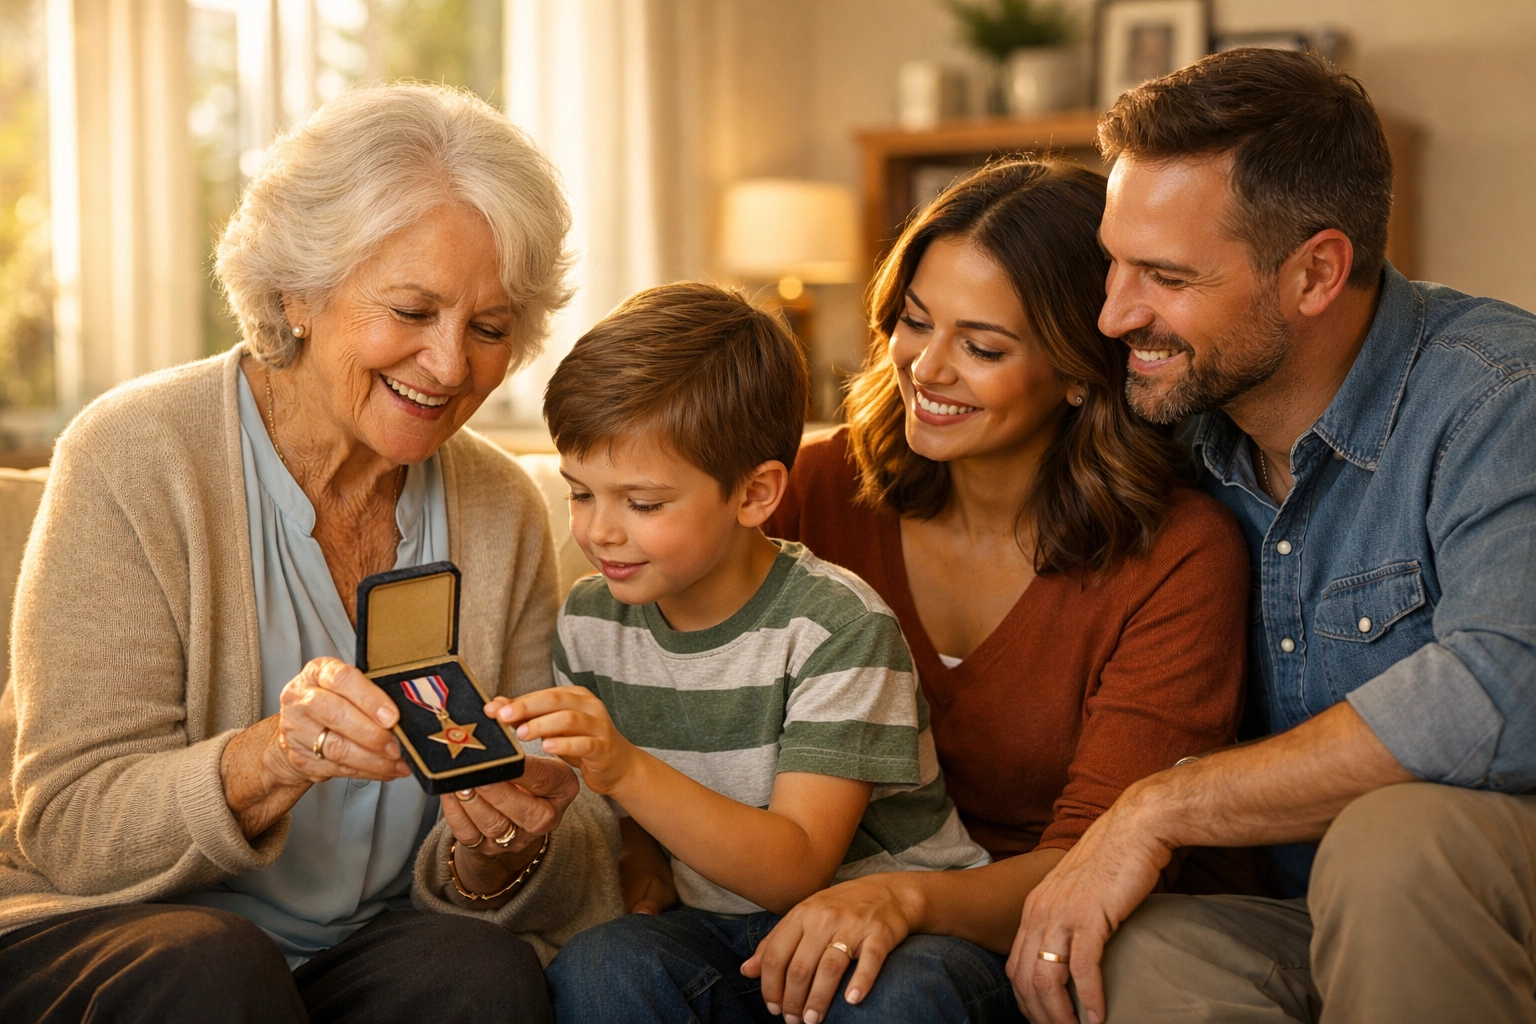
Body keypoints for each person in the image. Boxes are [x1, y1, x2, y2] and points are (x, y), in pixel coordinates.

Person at [0, 84, 623, 1024]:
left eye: (489, 329)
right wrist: (271, 758)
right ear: (298, 289)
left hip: (356, 944)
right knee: (218, 966)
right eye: (412, 311)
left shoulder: (501, 506)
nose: (451, 366)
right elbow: (73, 824)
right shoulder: (134, 454)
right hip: (111, 928)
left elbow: (554, 839)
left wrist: (502, 848)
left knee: (480, 972)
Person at [1011, 48, 1536, 1024]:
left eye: (1164, 275)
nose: (1114, 312)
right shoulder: (1174, 429)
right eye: (1113, 260)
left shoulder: (1499, 398)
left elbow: (1507, 685)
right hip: (1300, 911)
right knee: (1134, 953)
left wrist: (1160, 806)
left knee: (1396, 848)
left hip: (1480, 896)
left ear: (1316, 273)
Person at [744, 157, 1253, 1023]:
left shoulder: (1178, 554)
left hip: (1041, 926)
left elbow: (1097, 855)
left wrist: (901, 900)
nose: (927, 369)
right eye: (914, 322)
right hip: (831, 898)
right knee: (618, 966)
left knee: (897, 997)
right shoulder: (818, 487)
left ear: (1079, 371)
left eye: (982, 347)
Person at [495, 282, 991, 1023]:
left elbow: (796, 867)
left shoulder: (836, 627)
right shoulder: (592, 621)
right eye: (580, 493)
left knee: (900, 1000)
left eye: (642, 503)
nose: (598, 532)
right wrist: (635, 867)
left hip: (885, 924)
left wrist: (624, 767)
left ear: (755, 495)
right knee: (603, 968)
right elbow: (630, 826)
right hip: (718, 929)